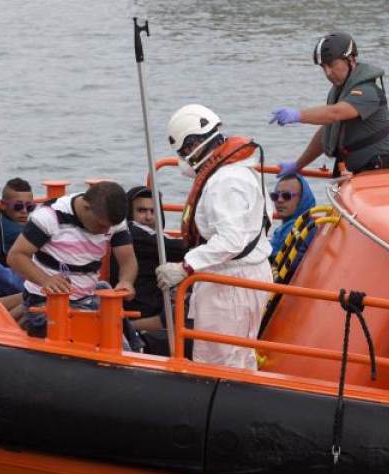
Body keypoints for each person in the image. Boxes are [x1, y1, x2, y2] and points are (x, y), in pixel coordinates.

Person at [155, 104, 274, 370]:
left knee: (216, 361)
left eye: (183, 152)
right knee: (240, 357)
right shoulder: (241, 171)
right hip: (242, 275)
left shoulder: (225, 182)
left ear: (193, 145)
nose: (184, 159)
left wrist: (185, 267)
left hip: (231, 282)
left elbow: (231, 240)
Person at [7, 181, 137, 338]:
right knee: (86, 338)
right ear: (86, 207)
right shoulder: (49, 217)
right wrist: (46, 280)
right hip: (46, 300)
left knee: (120, 338)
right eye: (101, 225)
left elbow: (127, 260)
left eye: (110, 227)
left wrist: (126, 281)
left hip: (88, 297)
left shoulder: (111, 219)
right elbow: (16, 256)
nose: (107, 231)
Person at [270, 31, 389, 177]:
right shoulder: (339, 92)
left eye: (332, 64)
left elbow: (335, 113)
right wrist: (298, 165)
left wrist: (297, 115)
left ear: (351, 59)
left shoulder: (368, 91)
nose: (328, 73)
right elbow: (327, 135)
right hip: (355, 172)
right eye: (323, 67)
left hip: (383, 171)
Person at [110, 186, 186, 332]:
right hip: (141, 310)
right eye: (141, 210)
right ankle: (127, 330)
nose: (149, 217)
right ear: (129, 212)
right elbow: (181, 248)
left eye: (153, 211)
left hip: (150, 302)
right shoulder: (133, 232)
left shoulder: (142, 234)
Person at [269, 172, 317, 260]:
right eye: (275, 196)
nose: (279, 200)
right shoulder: (302, 225)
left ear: (302, 198)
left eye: (286, 196)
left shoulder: (300, 229)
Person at [0, 177, 35, 266]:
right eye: (18, 206)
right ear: (3, 205)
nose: (24, 211)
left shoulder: (0, 218)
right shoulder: (16, 233)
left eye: (29, 206)